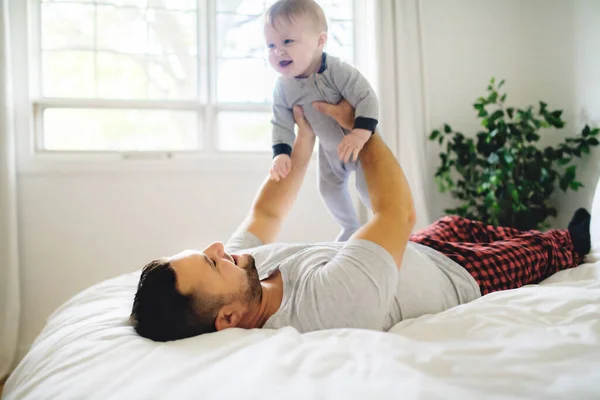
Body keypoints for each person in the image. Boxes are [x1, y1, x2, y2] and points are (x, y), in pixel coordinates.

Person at [130, 100, 592, 342]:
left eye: (205, 253)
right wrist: (360, 128)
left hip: (421, 246)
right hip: (461, 276)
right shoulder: (323, 307)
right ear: (229, 319)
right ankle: (576, 242)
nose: (217, 248)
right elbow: (394, 211)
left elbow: (267, 212)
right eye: (212, 265)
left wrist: (304, 139)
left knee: (457, 223)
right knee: (552, 246)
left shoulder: (246, 273)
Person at [265, 0, 379, 241]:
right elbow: (281, 121)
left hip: (359, 144)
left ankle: (383, 225)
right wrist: (281, 153)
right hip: (329, 152)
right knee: (328, 189)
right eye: (270, 45)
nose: (278, 51)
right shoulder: (283, 86)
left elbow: (367, 97)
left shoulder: (337, 70)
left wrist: (359, 134)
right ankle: (350, 227)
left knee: (367, 189)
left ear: (320, 41)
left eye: (287, 41)